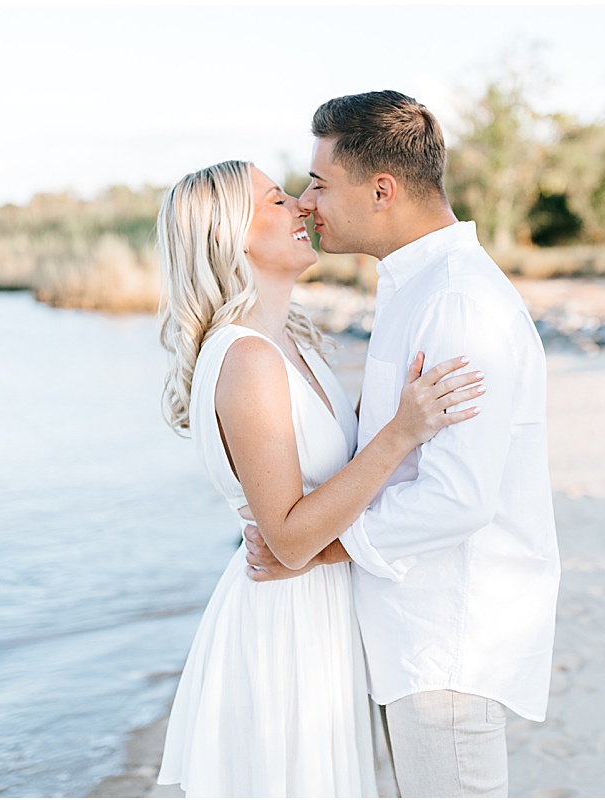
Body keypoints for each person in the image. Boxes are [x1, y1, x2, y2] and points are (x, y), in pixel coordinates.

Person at [244, 90, 561, 797]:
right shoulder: (416, 288)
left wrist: (316, 546)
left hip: (444, 643)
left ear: (381, 189)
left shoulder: (456, 303)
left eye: (321, 182)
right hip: (410, 637)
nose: (306, 200)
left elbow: (458, 498)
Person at [153, 159, 485, 797]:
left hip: (316, 611)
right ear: (230, 239)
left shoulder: (285, 343)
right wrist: (401, 432)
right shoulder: (248, 359)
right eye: (276, 201)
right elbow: (289, 540)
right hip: (284, 620)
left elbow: (327, 474)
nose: (302, 207)